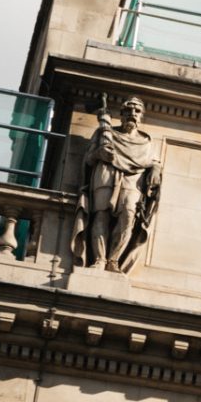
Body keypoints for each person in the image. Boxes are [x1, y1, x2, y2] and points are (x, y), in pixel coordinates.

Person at [73, 95, 161, 272]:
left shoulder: (146, 142)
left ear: (141, 116)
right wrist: (99, 153)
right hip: (106, 172)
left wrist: (156, 168)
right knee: (101, 215)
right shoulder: (105, 133)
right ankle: (99, 258)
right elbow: (88, 160)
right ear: (121, 113)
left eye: (137, 111)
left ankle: (114, 259)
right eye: (128, 110)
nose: (132, 114)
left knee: (129, 215)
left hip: (133, 179)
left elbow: (153, 161)